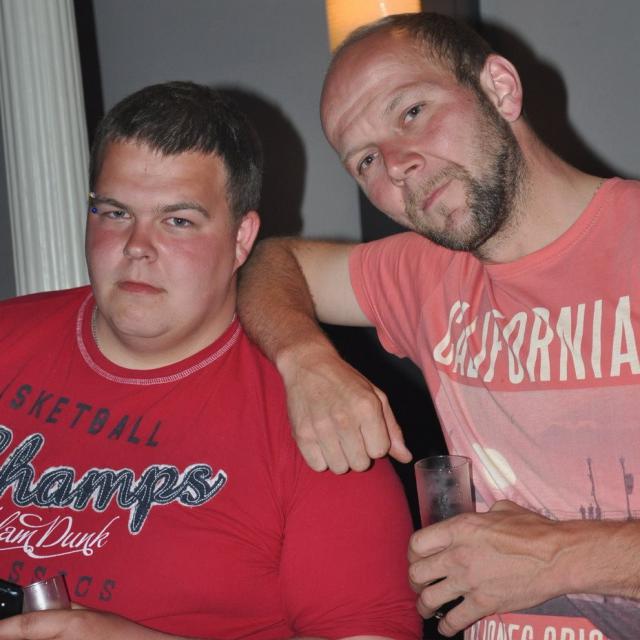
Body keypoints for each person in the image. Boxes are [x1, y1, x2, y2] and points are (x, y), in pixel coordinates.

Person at [236, 12, 640, 640]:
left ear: (500, 88)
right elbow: (269, 262)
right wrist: (306, 360)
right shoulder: (425, 272)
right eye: (365, 160)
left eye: (411, 112)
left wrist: (558, 558)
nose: (395, 166)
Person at [0, 81, 421, 640]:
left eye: (178, 220)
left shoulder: (323, 422)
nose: (136, 246)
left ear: (242, 238)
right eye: (115, 213)